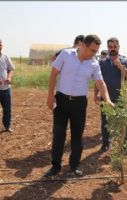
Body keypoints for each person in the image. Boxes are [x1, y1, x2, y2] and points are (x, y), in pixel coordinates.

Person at [44, 34, 114, 178]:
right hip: (61, 101)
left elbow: (100, 83)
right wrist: (50, 95)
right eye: (92, 50)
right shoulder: (65, 55)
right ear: (82, 45)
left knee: (77, 136)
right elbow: (54, 73)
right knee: (59, 134)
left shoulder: (94, 63)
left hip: (79, 103)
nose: (94, 54)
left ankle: (74, 165)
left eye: (96, 51)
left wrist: (107, 99)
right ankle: (55, 166)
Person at [95, 37, 127, 152]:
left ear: (118, 47)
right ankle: (105, 143)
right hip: (105, 98)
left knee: (122, 122)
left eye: (114, 46)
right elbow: (98, 80)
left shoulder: (124, 61)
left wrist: (121, 67)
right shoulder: (102, 62)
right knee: (105, 122)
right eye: (110, 47)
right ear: (107, 47)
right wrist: (95, 94)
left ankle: (124, 144)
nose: (112, 49)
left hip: (120, 98)